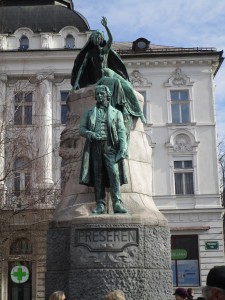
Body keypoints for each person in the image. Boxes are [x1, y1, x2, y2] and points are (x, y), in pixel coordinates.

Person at [71, 16, 145, 125]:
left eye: (99, 37)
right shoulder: (89, 53)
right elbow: (81, 68)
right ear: (92, 39)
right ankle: (122, 108)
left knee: (128, 86)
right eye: (96, 36)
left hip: (109, 73)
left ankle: (139, 112)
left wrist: (106, 27)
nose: (98, 39)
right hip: (101, 78)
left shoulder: (104, 50)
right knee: (117, 84)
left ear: (101, 39)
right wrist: (76, 83)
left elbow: (110, 40)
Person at [79, 85, 128, 214]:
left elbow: (122, 130)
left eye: (102, 94)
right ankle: (100, 203)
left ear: (107, 95)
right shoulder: (89, 112)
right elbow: (81, 129)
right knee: (98, 175)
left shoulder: (116, 113)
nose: (99, 96)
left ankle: (117, 202)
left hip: (110, 146)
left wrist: (123, 147)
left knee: (114, 174)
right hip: (95, 146)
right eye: (98, 94)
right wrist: (91, 134)